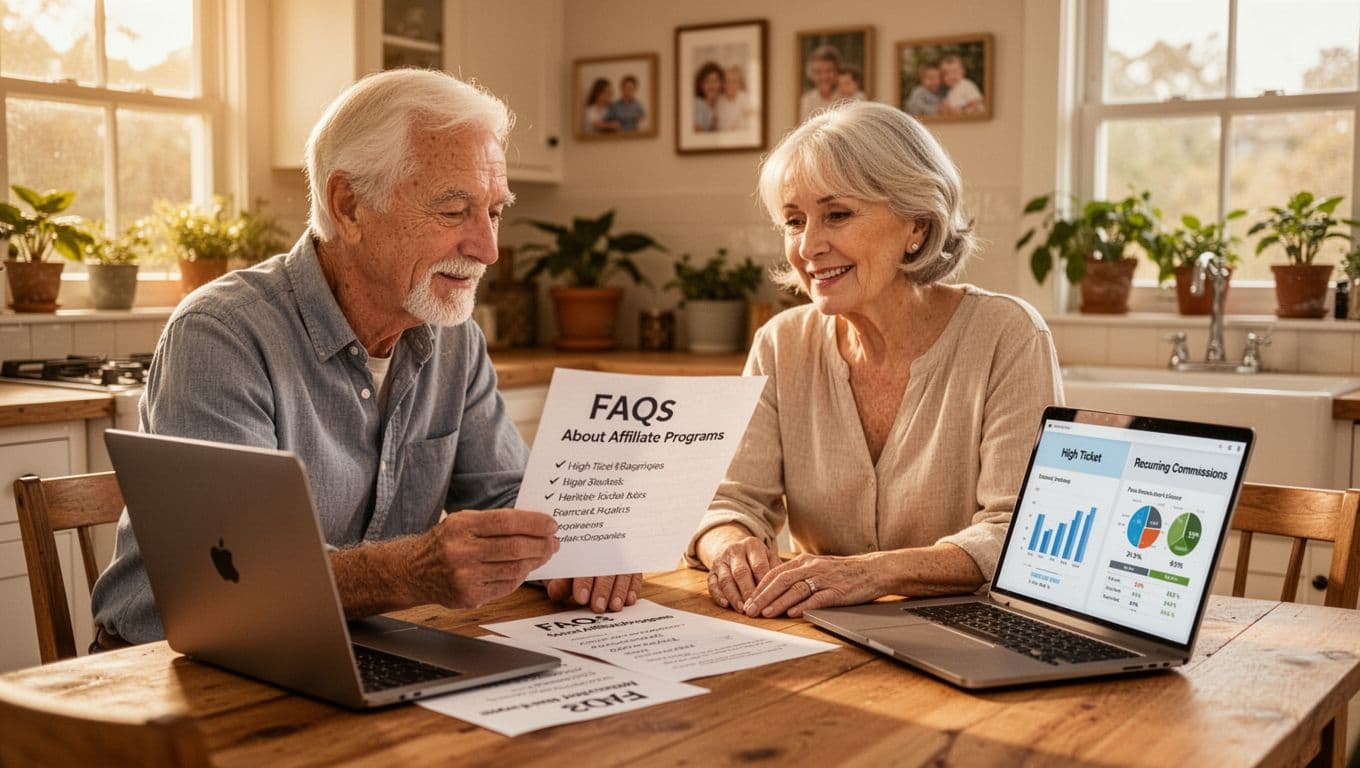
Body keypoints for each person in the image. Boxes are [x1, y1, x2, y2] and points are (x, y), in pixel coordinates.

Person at [90, 69, 641, 646]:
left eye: (494, 212)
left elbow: (507, 496)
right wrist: (411, 570)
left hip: (356, 647)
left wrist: (576, 544)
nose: (488, 249)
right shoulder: (222, 334)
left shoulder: (454, 337)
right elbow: (232, 574)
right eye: (454, 212)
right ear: (349, 205)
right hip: (175, 667)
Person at [687, 101, 1062, 619]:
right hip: (820, 630)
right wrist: (729, 547)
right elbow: (730, 503)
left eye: (837, 214)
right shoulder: (780, 343)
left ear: (918, 225)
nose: (808, 246)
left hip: (973, 632)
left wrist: (867, 573)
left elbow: (1016, 533)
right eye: (794, 221)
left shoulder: (1007, 335)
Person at [798, 44, 842, 122]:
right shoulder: (807, 100)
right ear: (811, 75)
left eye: (828, 71)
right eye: (818, 72)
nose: (824, 77)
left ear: (837, 72)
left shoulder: (851, 97)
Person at [716, 64, 754, 132]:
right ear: (723, 84)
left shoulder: (745, 98)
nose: (731, 85)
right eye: (728, 81)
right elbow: (722, 125)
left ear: (739, 84)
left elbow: (750, 120)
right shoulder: (720, 101)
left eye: (734, 81)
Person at [693, 61, 724, 132]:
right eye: (707, 81)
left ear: (722, 83)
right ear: (701, 85)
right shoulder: (698, 104)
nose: (711, 85)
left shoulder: (723, 103)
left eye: (715, 81)